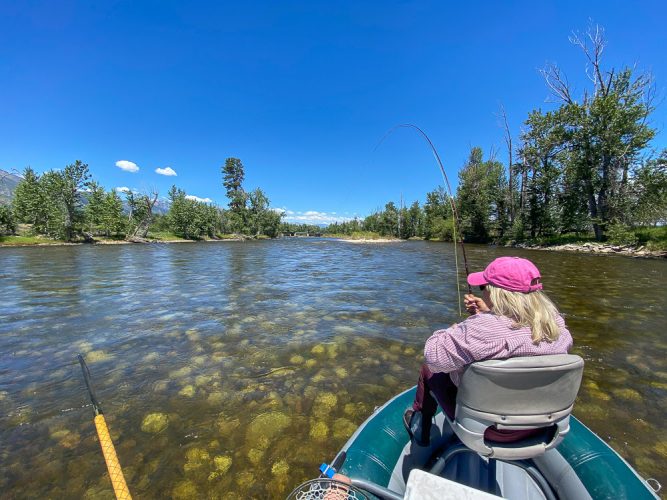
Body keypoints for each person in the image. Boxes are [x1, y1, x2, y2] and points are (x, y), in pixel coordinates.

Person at [403, 256, 573, 446]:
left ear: (496, 293)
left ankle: (421, 425)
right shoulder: (558, 327)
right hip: (543, 426)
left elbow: (434, 356)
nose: (482, 292)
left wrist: (452, 330)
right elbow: (514, 334)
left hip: (488, 430)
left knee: (429, 369)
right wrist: (487, 313)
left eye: (483, 287)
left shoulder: (481, 329)